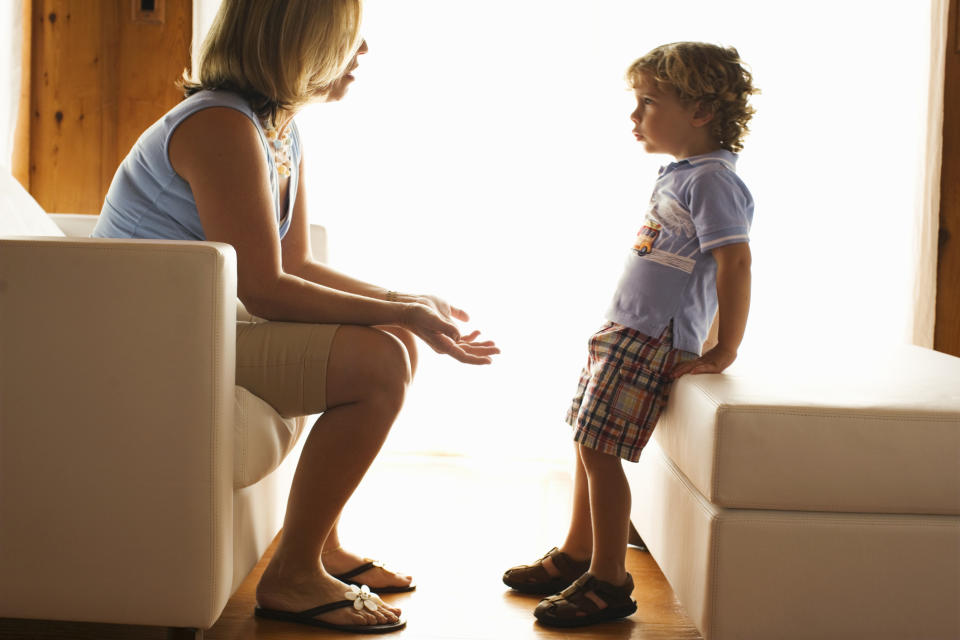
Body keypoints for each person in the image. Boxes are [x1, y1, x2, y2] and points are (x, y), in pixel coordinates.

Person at [93, 0, 499, 633]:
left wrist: (405, 303)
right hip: (144, 341)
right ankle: (292, 575)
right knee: (379, 362)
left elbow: (295, 262)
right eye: (349, 42)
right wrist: (403, 313)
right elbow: (267, 290)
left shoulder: (275, 127)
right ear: (300, 45)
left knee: (390, 337)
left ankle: (322, 549)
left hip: (199, 323)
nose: (361, 55)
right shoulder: (219, 125)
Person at [501, 41, 757, 628]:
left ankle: (609, 582)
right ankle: (577, 551)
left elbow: (735, 264)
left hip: (653, 337)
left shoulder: (715, 181)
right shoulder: (683, 174)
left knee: (600, 447)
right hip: (626, 327)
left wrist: (724, 347)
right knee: (584, 435)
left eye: (648, 103)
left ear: (698, 111)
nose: (635, 116)